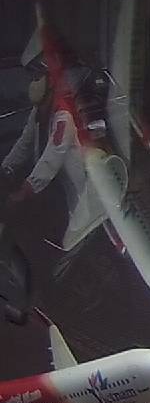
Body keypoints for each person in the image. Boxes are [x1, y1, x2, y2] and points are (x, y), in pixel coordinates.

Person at [2, 28, 106, 243]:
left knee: (81, 229)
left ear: (50, 75)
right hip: (59, 186)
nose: (33, 82)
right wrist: (6, 168)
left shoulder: (66, 109)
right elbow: (25, 141)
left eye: (38, 75)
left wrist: (27, 189)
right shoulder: (43, 106)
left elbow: (54, 155)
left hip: (78, 187)